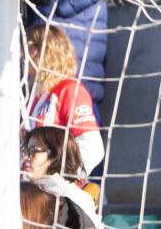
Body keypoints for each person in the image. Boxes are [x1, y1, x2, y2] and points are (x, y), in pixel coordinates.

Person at [19, 125, 110, 229]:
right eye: (25, 151)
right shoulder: (29, 194)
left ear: (56, 155)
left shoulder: (72, 196)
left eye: (32, 151)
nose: (25, 157)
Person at [25, 25, 104, 176]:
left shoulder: (69, 90)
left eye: (29, 47)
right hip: (30, 190)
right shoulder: (37, 95)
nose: (23, 54)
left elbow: (93, 148)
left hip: (52, 195)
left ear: (47, 51)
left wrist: (61, 179)